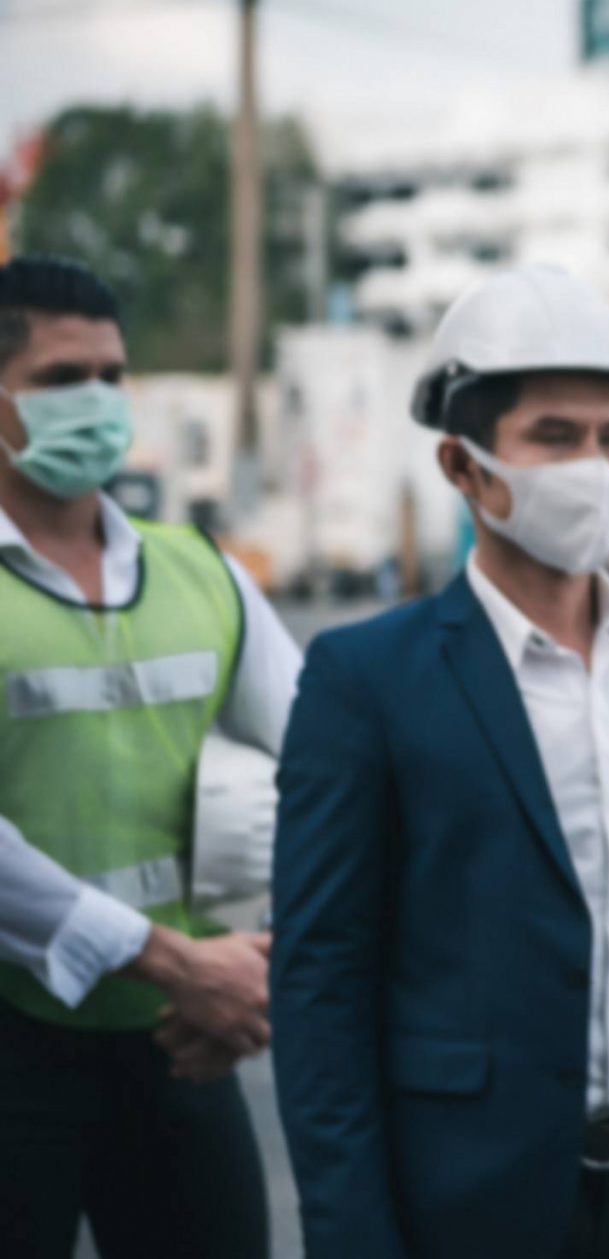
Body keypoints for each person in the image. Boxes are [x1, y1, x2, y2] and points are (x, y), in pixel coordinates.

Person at [270, 264, 609, 1259]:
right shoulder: (365, 679)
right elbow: (321, 987)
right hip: (465, 1202)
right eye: (554, 439)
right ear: (462, 466)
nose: (594, 469)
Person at [0, 254, 301, 1259]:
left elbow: (332, 774)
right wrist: (176, 962)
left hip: (181, 1046)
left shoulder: (199, 568)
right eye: (59, 380)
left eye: (111, 376)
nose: (97, 402)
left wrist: (260, 973)